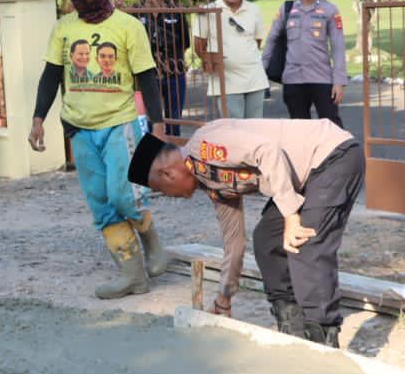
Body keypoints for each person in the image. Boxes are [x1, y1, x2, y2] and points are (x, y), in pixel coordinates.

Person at [127, 118, 364, 348]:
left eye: (162, 190)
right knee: (267, 240)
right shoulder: (211, 183)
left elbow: (266, 151)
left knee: (305, 244)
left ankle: (323, 342)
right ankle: (293, 328)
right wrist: (224, 299)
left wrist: (291, 216)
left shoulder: (206, 144)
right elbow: (234, 243)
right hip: (305, 176)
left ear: (168, 174)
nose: (170, 196)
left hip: (332, 156)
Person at [30, 0, 170, 299]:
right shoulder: (63, 28)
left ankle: (153, 243)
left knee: (125, 195)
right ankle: (132, 275)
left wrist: (159, 124)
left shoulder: (127, 27)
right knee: (102, 204)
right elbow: (51, 75)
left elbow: (147, 77)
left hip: (119, 123)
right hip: (79, 128)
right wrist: (37, 119)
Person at [262, 0, 348, 126]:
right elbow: (271, 40)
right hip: (293, 79)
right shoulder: (286, 10)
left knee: (332, 125)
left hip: (322, 79)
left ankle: (338, 153)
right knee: (300, 129)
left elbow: (338, 47)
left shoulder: (329, 10)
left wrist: (339, 81)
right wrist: (262, 70)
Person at [192, 0, 269, 119]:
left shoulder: (254, 9)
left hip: (255, 79)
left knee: (255, 130)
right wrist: (214, 63)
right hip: (225, 81)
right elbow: (199, 46)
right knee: (234, 131)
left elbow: (257, 41)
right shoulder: (208, 11)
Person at [136, 0, 190, 135]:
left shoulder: (176, 11)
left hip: (174, 73)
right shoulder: (134, 13)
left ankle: (172, 157)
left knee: (174, 120)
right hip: (147, 75)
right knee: (151, 120)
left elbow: (185, 42)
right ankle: (153, 158)